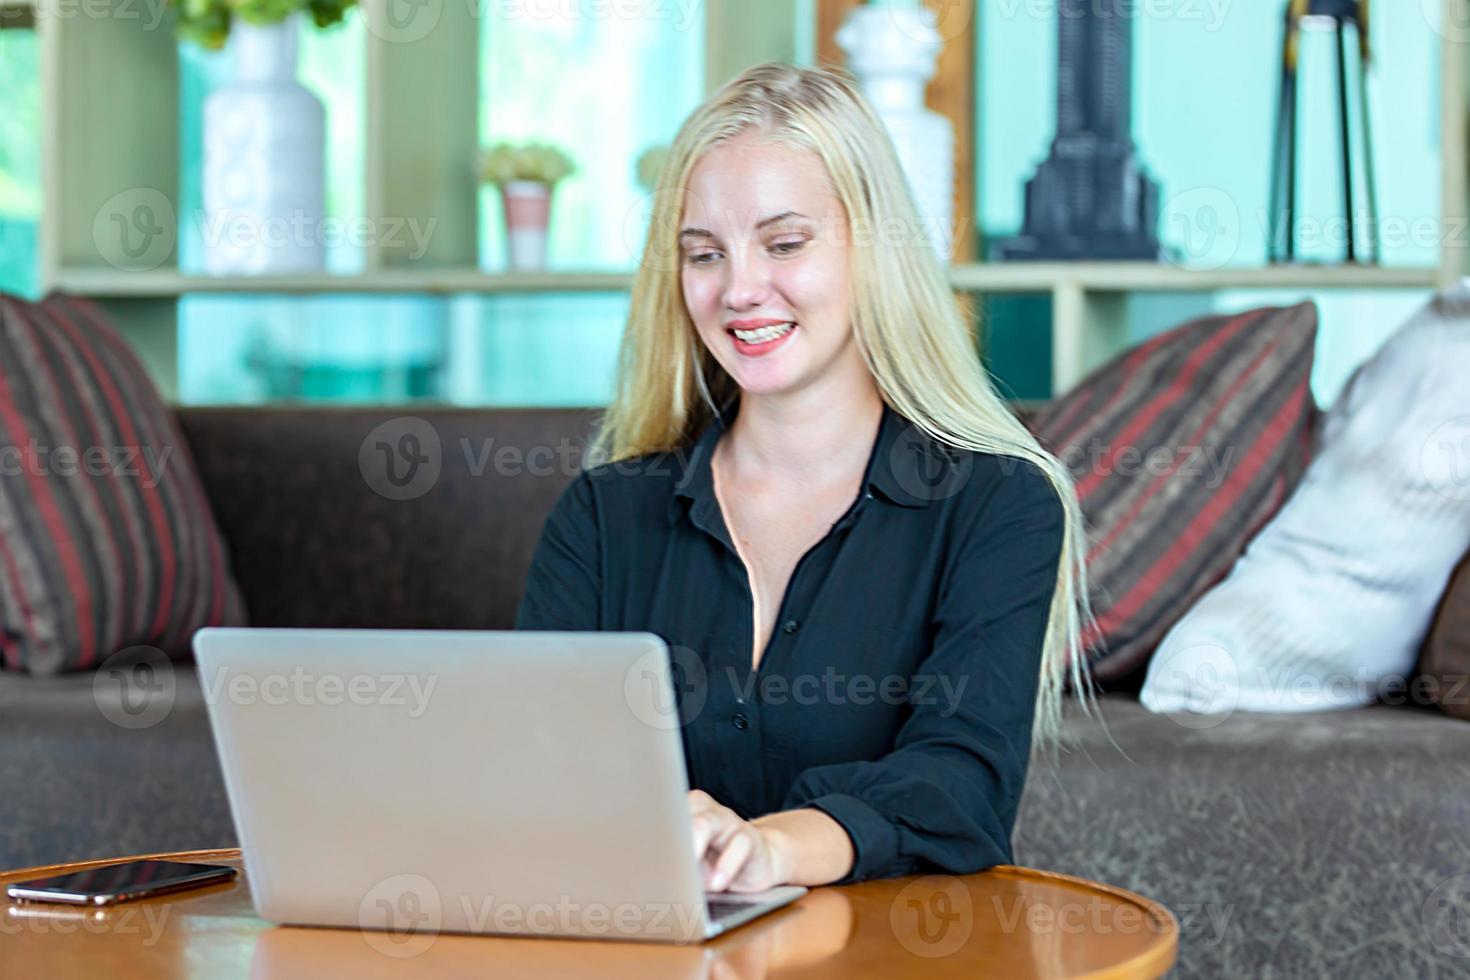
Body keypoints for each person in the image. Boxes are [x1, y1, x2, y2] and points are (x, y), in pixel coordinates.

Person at [515, 63, 1096, 894]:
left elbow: (959, 784)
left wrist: (770, 849)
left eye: (785, 243)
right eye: (704, 254)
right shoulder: (605, 515)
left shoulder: (998, 506)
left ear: (875, 249)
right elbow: (538, 769)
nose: (741, 290)